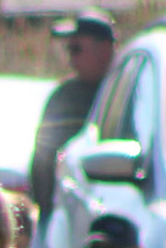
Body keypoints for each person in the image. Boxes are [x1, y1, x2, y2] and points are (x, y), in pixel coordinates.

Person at [31, 11, 116, 215]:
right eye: (68, 50)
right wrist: (46, 210)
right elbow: (43, 162)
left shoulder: (128, 92)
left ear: (104, 49)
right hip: (69, 211)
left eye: (76, 49)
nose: (71, 59)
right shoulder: (65, 97)